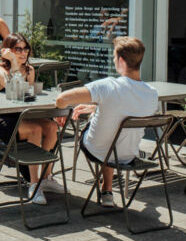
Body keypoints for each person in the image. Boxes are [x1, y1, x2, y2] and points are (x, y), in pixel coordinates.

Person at [55, 36, 158, 208]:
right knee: (113, 129)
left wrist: (62, 110)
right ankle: (107, 189)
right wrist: (97, 107)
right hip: (127, 155)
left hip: (96, 149)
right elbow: (126, 109)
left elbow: (62, 99)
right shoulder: (152, 94)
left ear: (121, 60)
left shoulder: (108, 86)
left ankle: (106, 188)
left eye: (114, 58)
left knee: (103, 131)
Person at [0, 33, 62, 205]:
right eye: (17, 49)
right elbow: (16, 90)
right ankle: (34, 184)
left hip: (22, 115)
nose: (23, 53)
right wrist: (14, 63)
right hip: (1, 117)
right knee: (35, 129)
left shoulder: (29, 70)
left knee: (52, 127)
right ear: (8, 51)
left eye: (25, 48)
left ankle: (46, 177)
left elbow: (26, 98)